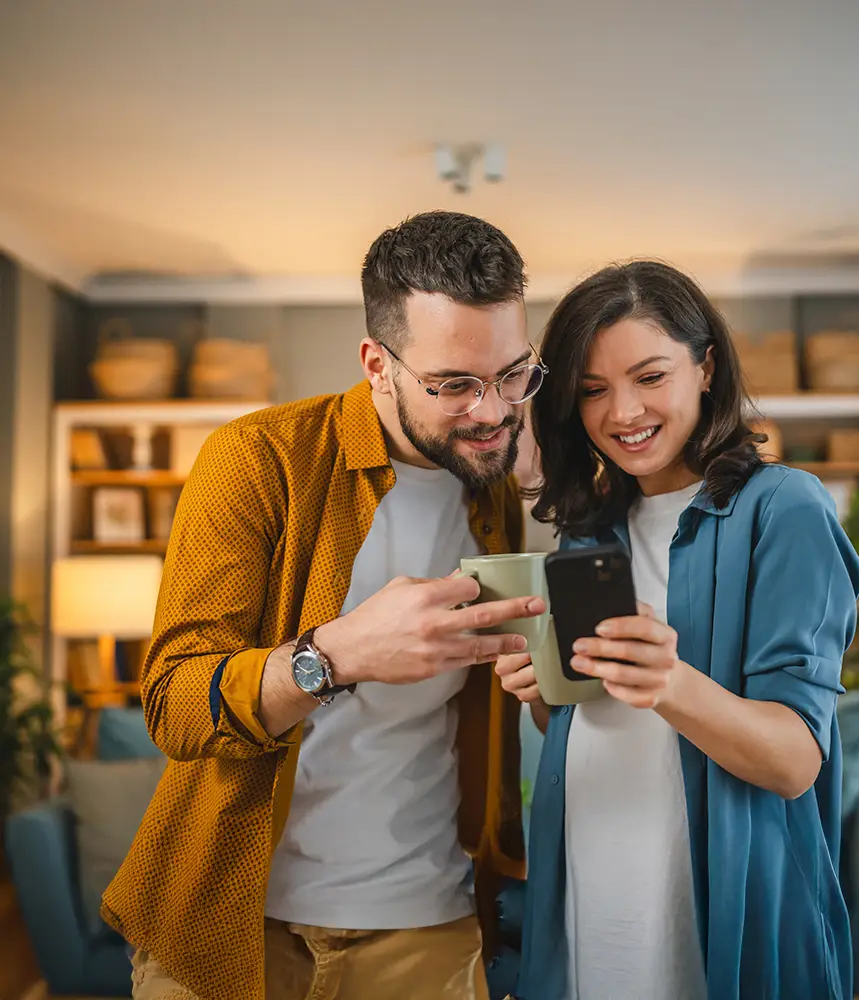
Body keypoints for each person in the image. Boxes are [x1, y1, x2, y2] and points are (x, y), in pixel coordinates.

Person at [102, 211, 549, 1000]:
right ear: (378, 364)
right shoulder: (256, 459)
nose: (491, 411)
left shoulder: (496, 490)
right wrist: (334, 657)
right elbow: (174, 704)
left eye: (513, 374)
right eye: (453, 384)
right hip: (232, 924)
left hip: (428, 927)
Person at [496, 260, 859, 1000]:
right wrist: (540, 690)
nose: (621, 412)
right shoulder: (588, 531)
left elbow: (796, 760)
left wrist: (670, 684)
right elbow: (588, 722)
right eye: (593, 390)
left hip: (712, 908)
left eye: (649, 376)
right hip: (589, 887)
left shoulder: (785, 509)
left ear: (706, 367)